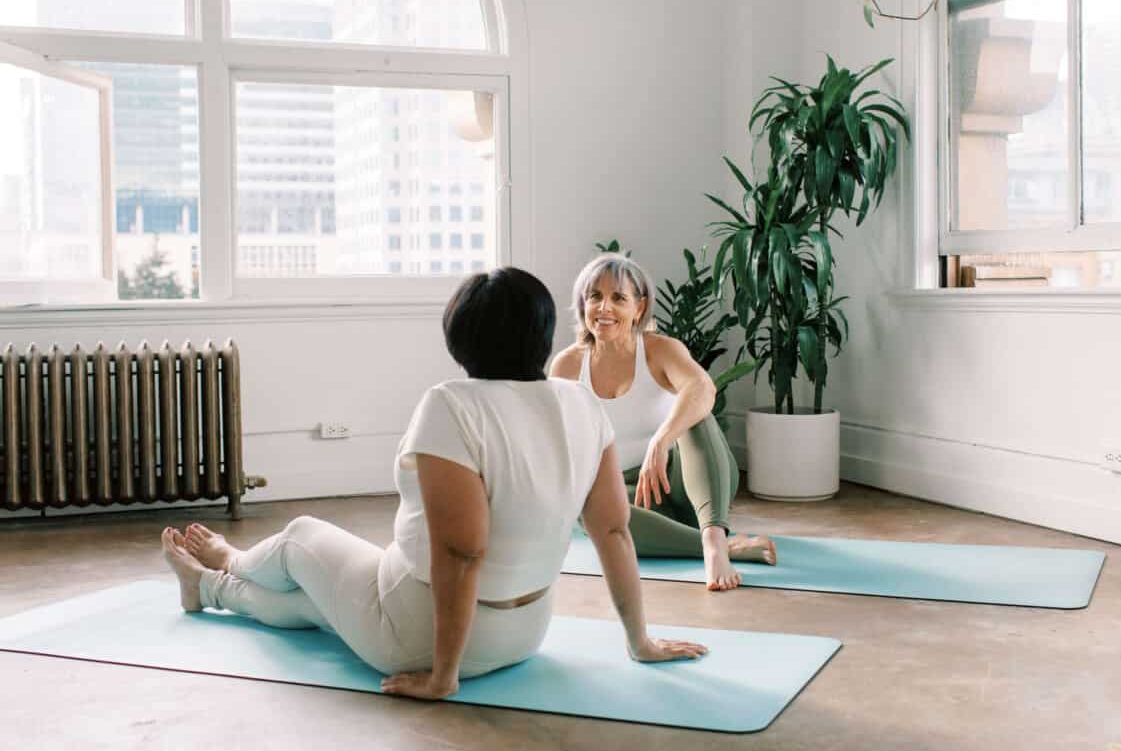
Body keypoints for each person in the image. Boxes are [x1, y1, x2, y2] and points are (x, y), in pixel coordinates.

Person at [160, 266, 706, 699]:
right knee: (313, 606)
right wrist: (640, 642)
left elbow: (462, 551)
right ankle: (206, 589)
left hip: (424, 632)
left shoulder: (451, 403)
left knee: (301, 535)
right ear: (542, 334)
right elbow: (613, 532)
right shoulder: (580, 402)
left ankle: (227, 561)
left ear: (460, 336)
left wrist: (443, 676)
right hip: (526, 633)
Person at [549, 253, 777, 592]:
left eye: (618, 298)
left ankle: (714, 540)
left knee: (695, 415)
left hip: (689, 481)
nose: (604, 308)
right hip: (635, 496)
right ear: (582, 304)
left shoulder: (660, 350)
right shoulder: (566, 367)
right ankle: (726, 546)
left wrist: (661, 441)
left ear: (639, 308)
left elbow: (702, 388)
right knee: (590, 511)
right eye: (594, 296)